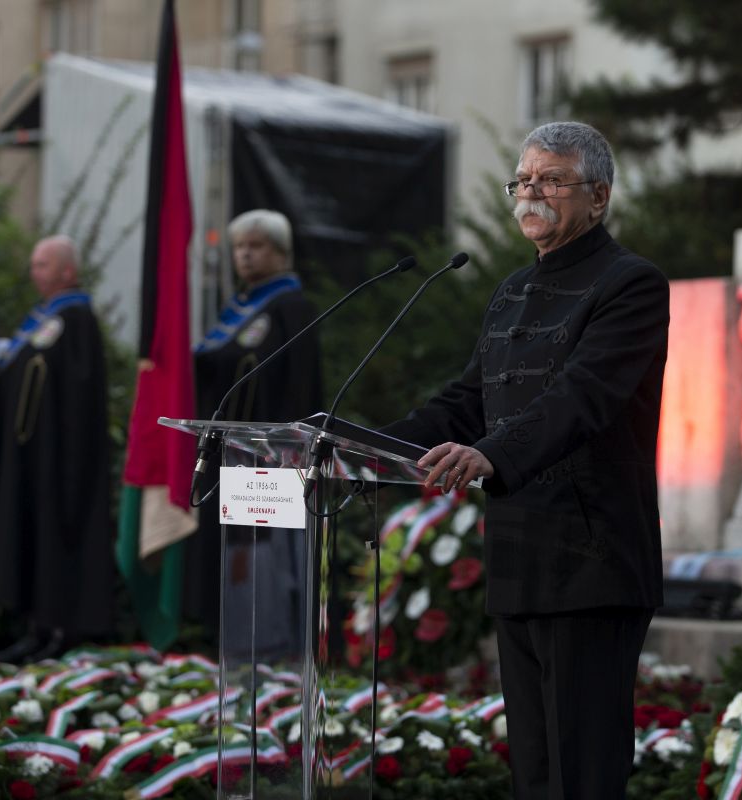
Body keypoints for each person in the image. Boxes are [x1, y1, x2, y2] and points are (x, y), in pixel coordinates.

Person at [380, 122, 669, 799]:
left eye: (550, 179)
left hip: (592, 562)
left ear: (597, 197)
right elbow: (467, 401)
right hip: (520, 556)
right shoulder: (511, 289)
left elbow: (582, 398)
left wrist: (487, 456)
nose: (530, 190)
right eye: (523, 179)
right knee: (535, 775)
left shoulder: (631, 285)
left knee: (581, 776)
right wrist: (362, 441)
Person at [182, 209, 323, 656]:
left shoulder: (290, 307)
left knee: (264, 555)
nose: (244, 254)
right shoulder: (237, 309)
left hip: (269, 461)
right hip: (231, 456)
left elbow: (299, 386)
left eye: (256, 245)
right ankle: (234, 644)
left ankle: (271, 648)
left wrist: (287, 453)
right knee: (233, 553)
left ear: (281, 253)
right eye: (240, 246)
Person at [0, 235, 116, 663]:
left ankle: (62, 629)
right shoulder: (42, 317)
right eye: (34, 264)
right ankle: (37, 627)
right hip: (33, 456)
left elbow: (77, 392)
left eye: (43, 264)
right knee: (32, 537)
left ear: (67, 270)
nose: (34, 272)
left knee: (58, 538)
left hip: (61, 459)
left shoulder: (75, 318)